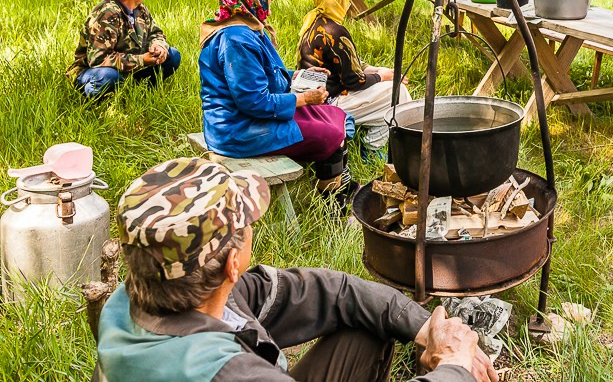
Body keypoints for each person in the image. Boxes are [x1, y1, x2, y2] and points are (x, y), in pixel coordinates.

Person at [95, 157, 498, 382]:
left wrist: (428, 329)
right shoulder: (227, 374)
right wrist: (455, 369)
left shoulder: (148, 296)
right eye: (247, 223)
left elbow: (332, 292)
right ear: (234, 261)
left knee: (365, 326)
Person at [198, 0, 355, 209]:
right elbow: (254, 102)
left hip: (251, 117)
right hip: (237, 129)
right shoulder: (235, 40)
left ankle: (339, 183)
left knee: (336, 116)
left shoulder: (248, 27)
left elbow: (264, 76)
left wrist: (302, 74)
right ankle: (334, 203)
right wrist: (304, 99)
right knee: (329, 134)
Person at [297, 0, 412, 153]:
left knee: (391, 87)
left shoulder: (313, 22)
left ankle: (375, 139)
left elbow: (346, 64)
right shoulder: (334, 31)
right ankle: (372, 148)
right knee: (397, 93)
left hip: (308, 103)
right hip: (326, 104)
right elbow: (354, 81)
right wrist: (382, 76)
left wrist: (376, 70)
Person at [68, 0, 181, 97]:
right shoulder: (107, 14)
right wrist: (141, 60)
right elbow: (98, 59)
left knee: (172, 56)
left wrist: (158, 45)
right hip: (92, 70)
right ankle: (96, 98)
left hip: (126, 67)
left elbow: (155, 32)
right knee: (108, 77)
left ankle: (139, 90)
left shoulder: (140, 9)